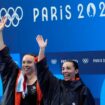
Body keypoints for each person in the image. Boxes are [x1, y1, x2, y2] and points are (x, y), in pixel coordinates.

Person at [36, 35, 95, 105]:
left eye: (68, 68)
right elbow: (42, 70)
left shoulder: (83, 91)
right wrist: (42, 49)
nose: (65, 71)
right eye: (63, 69)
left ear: (76, 71)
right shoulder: (55, 85)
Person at [0, 17, 43, 105]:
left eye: (29, 62)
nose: (25, 65)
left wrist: (42, 49)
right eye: (23, 62)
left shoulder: (42, 82)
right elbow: (3, 54)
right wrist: (0, 32)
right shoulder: (15, 75)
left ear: (35, 64)